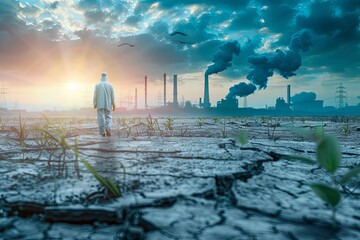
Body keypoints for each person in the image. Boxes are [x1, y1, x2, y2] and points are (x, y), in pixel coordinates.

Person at [93, 72, 115, 137]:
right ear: (106, 77)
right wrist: (113, 104)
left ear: (101, 77)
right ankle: (108, 128)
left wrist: (94, 103)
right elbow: (112, 96)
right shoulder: (110, 85)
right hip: (108, 103)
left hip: (100, 104)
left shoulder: (97, 85)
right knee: (108, 116)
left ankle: (102, 132)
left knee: (100, 117)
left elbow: (95, 95)